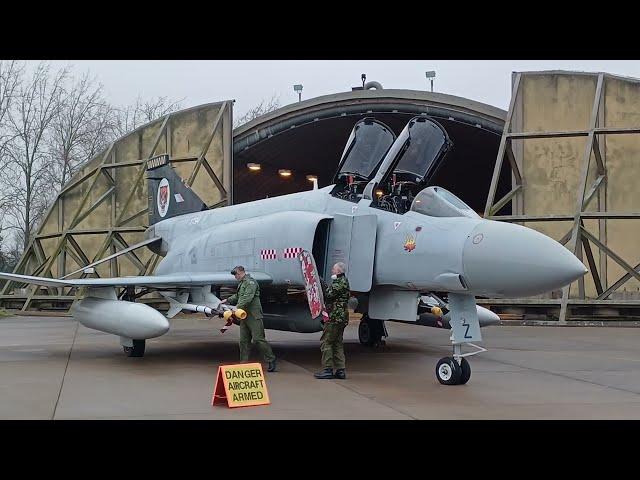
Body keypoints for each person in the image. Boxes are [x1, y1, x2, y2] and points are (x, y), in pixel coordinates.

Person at [221, 265, 277, 372]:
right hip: (243, 315)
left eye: (236, 275)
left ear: (240, 273)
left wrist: (237, 307)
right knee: (243, 341)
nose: (235, 277)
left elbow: (247, 298)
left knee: (258, 339)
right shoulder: (242, 283)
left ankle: (271, 359)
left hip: (253, 315)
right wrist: (227, 300)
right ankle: (244, 363)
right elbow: (239, 296)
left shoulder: (251, 283)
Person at [314, 262, 350, 380]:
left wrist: (322, 284)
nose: (332, 271)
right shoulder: (343, 281)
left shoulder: (339, 282)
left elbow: (329, 295)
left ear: (339, 271)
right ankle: (340, 370)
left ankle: (328, 369)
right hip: (341, 317)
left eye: (334, 269)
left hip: (335, 317)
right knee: (337, 343)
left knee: (326, 342)